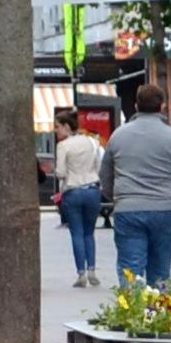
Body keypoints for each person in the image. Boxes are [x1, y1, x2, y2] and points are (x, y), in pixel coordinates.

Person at [100, 73, 171, 291]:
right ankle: (161, 314)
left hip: (128, 210)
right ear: (162, 107)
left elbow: (105, 175)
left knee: (130, 269)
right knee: (161, 271)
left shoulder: (118, 136)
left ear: (136, 106)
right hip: (164, 208)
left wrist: (117, 198)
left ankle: (133, 315)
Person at [52, 106, 107, 283]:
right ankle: (92, 269)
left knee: (76, 232)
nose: (56, 131)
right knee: (89, 233)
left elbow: (60, 172)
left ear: (67, 126)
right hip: (92, 190)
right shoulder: (92, 142)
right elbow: (99, 166)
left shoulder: (63, 146)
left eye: (57, 127)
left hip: (73, 191)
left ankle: (81, 273)